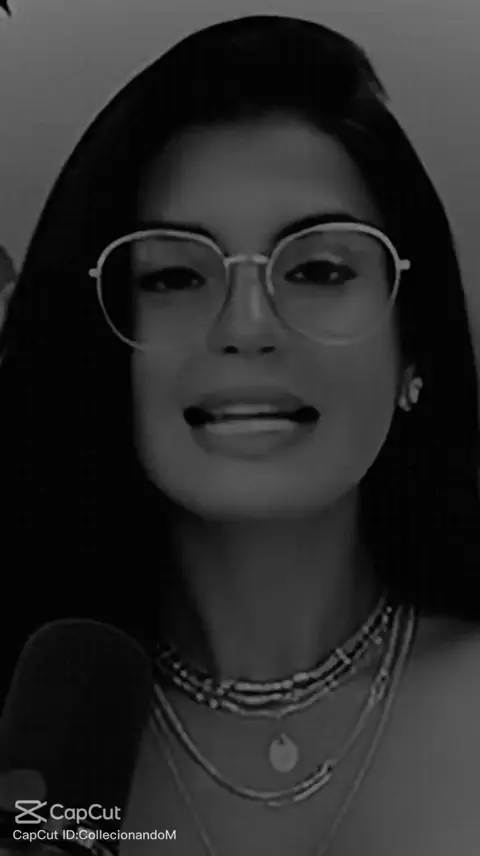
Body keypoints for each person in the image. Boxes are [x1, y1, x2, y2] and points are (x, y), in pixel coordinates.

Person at [1, 14, 480, 855]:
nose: (248, 325)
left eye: (319, 269)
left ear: (416, 349)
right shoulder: (34, 745)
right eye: (174, 276)